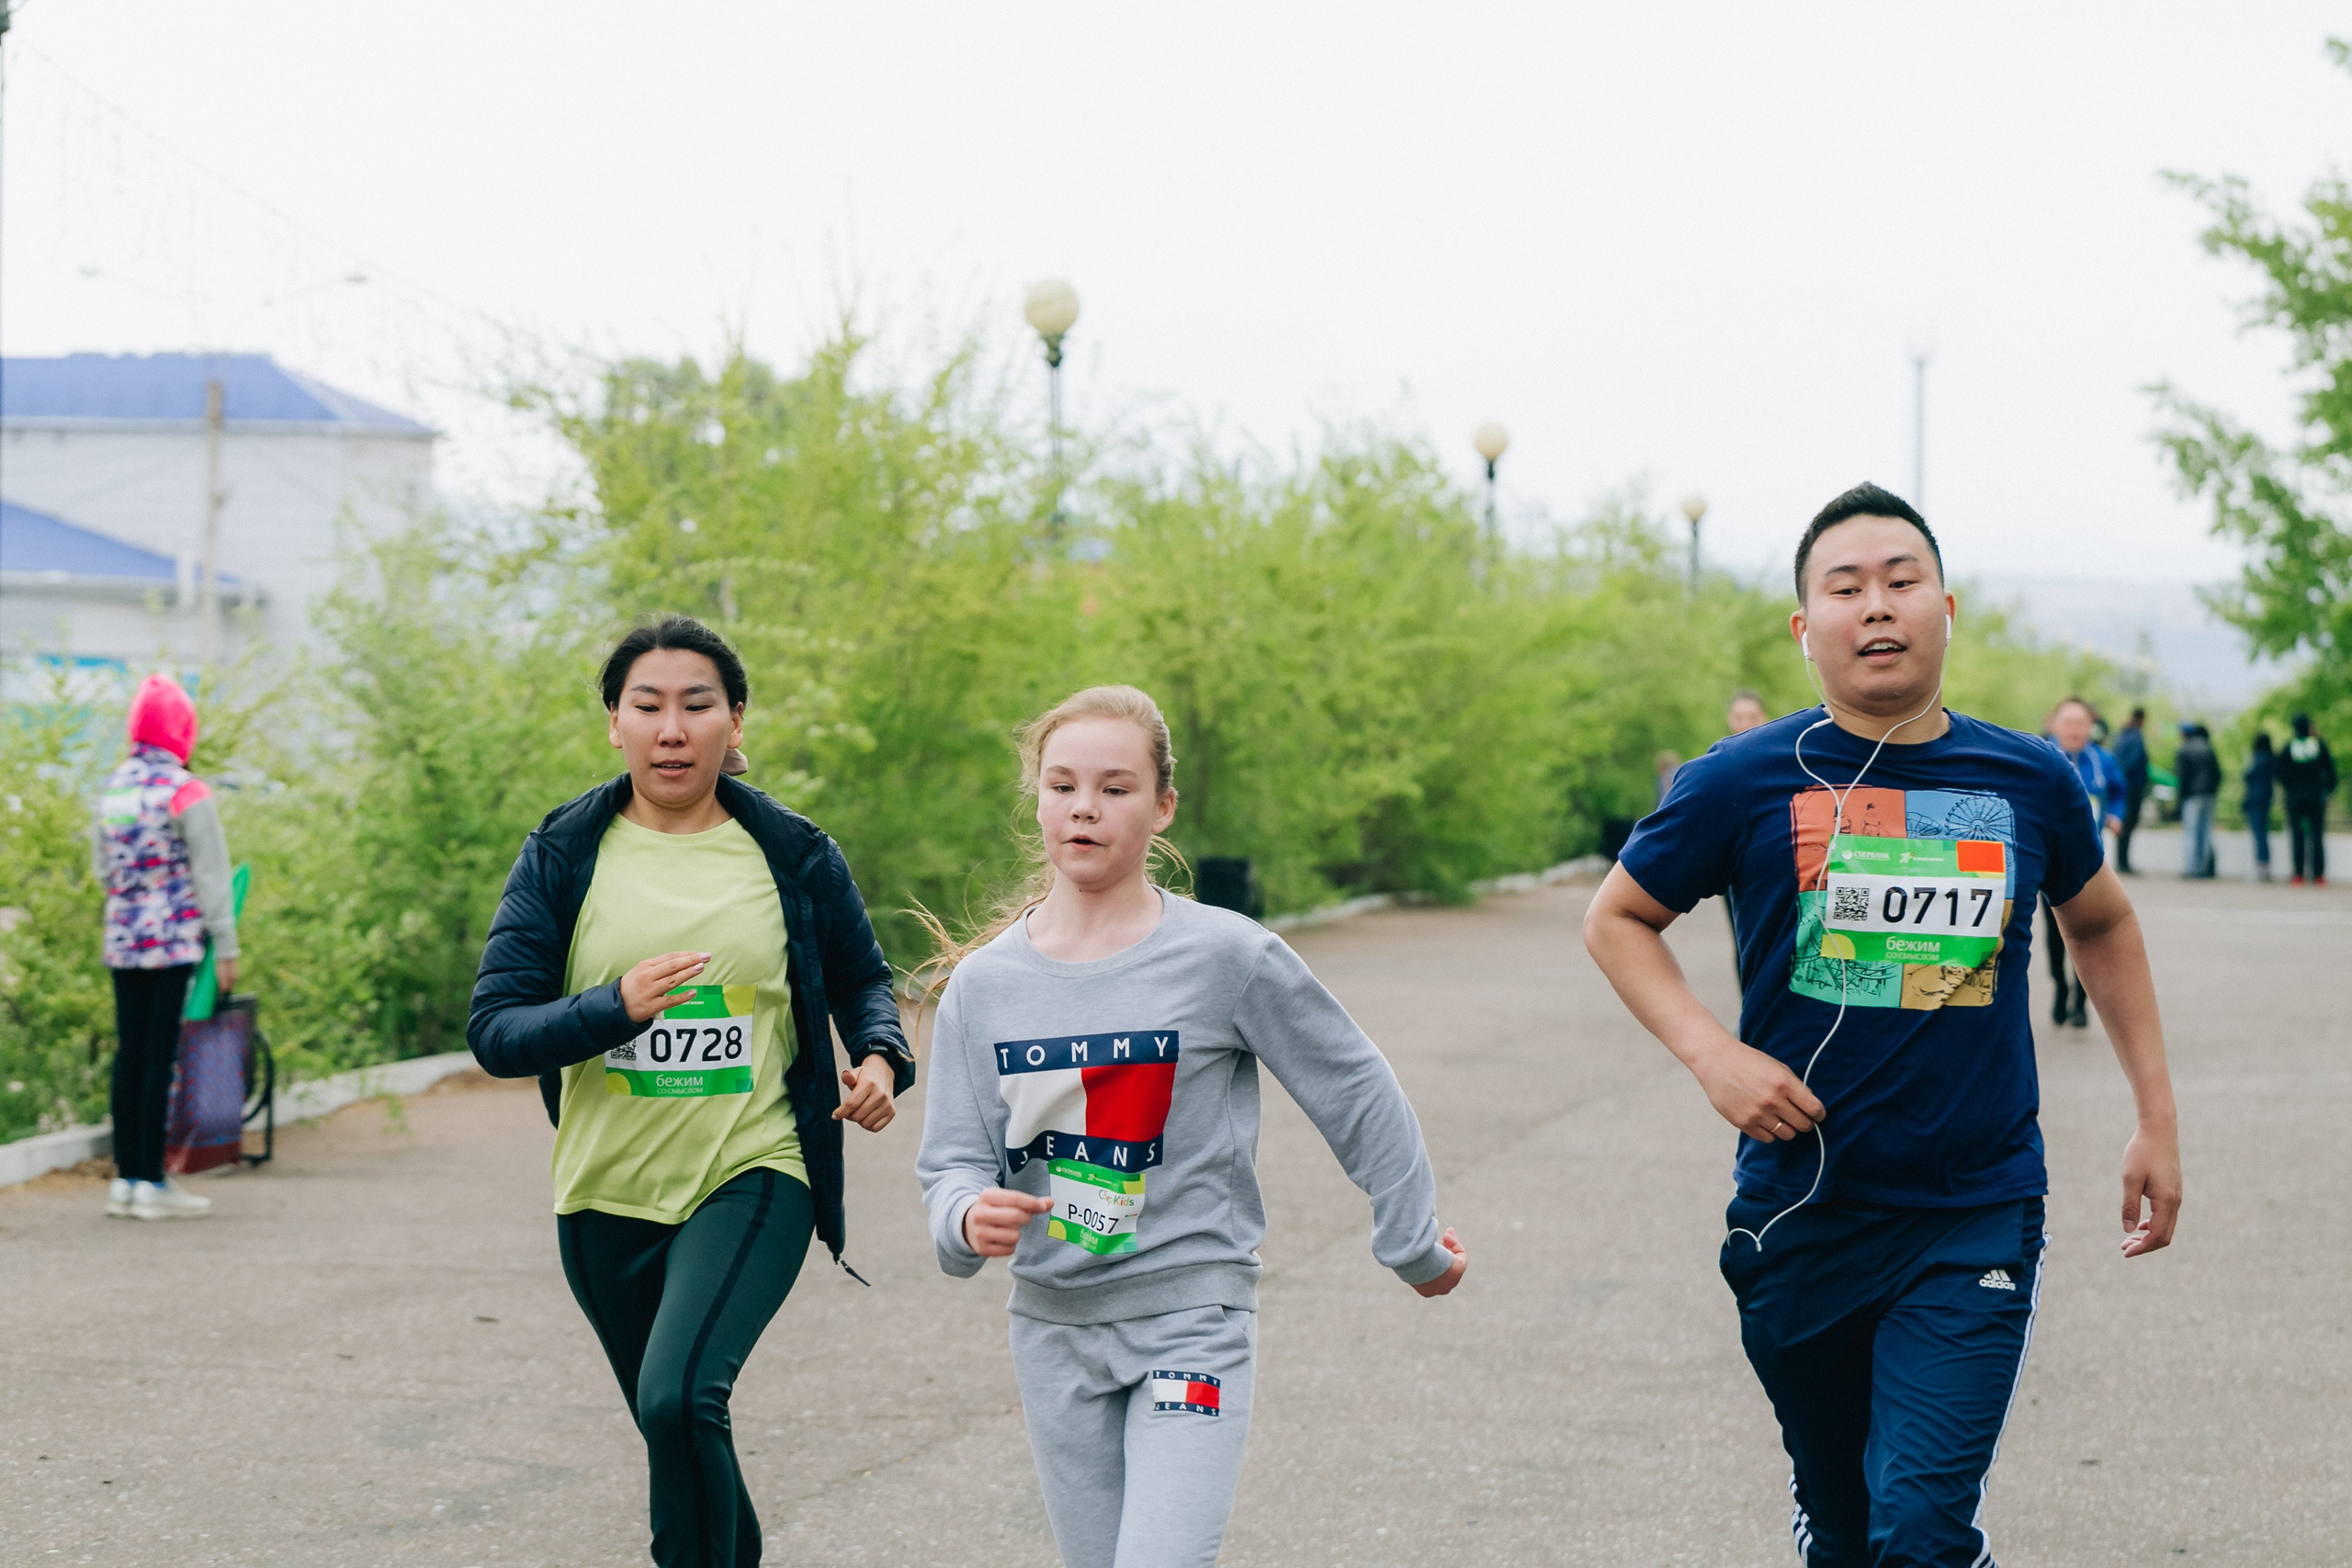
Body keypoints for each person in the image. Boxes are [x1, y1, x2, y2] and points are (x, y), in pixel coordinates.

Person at [1583, 482, 2180, 1567]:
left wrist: (2155, 1117)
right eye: (1845, 587)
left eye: (1901, 582)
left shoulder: (2028, 780)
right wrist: (1711, 1055)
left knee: (1921, 1528)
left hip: (1974, 1207)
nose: (1875, 605)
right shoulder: (1740, 782)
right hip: (1801, 1209)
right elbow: (1617, 918)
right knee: (1849, 1529)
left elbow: (2100, 923)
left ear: (1943, 609)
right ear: (1803, 627)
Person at [914, 684, 1465, 1568]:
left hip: (1191, 1320)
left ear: (1163, 805)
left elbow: (1353, 1083)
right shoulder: (985, 987)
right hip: (1053, 1332)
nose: (1084, 807)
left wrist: (1413, 1243)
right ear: (1038, 800)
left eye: (1116, 787)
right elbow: (951, 1161)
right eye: (1062, 785)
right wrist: (964, 1216)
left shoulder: (1225, 956)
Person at [467, 615, 914, 1568]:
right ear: (615, 724)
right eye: (648, 705)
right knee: (671, 1426)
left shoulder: (792, 851)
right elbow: (497, 1030)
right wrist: (612, 1007)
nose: (672, 728)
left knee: (679, 1397)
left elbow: (863, 979)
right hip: (604, 1189)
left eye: (697, 705)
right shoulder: (563, 853)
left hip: (754, 1166)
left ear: (734, 721)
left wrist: (879, 1058)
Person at [93, 673, 242, 1221]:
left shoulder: (113, 789)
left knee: (129, 1054)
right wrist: (226, 945)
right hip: (174, 942)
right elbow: (212, 873)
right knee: (161, 1057)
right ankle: (152, 1182)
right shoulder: (185, 790)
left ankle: (125, 1180)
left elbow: (103, 869)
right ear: (181, 729)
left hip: (123, 938)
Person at [2042, 696, 2125, 1029]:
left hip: (2090, 862)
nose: (2074, 730)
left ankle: (2080, 999)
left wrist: (2116, 815)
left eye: (2081, 723)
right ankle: (2060, 987)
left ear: (2091, 726)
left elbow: (2118, 791)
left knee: (2088, 932)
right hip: (2049, 861)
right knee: (2055, 933)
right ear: (2054, 724)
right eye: (2068, 723)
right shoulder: (2040, 756)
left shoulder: (2102, 759)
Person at [2277, 712, 2337, 886]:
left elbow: (2279, 771)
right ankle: (2319, 875)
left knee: (2297, 836)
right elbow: (2330, 771)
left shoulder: (2289, 747)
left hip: (2295, 798)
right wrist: (2327, 790)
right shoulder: (2318, 745)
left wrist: (2290, 786)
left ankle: (2298, 874)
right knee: (2317, 835)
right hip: (2316, 797)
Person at [2175, 722, 2222, 879]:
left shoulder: (2184, 750)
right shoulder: (2208, 748)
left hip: (2192, 796)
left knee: (2191, 833)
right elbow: (2218, 774)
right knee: (2205, 832)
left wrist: (2180, 799)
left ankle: (2191, 869)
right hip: (2209, 795)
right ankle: (2204, 868)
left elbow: (2182, 777)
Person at [2112, 707, 2150, 874]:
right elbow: (2134, 762)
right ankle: (2124, 863)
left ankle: (2121, 861)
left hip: (2122, 787)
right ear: (2142, 719)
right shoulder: (2136, 737)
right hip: (2133, 788)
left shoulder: (2121, 735)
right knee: (2128, 825)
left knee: (2123, 824)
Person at [2243, 731, 2277, 883]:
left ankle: (2261, 868)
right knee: (2262, 834)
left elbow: (2249, 776)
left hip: (2256, 801)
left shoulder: (2259, 759)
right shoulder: (2270, 759)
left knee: (2259, 835)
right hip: (2265, 800)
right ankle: (2264, 868)